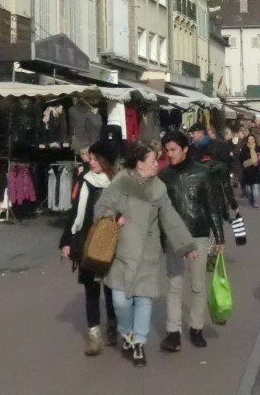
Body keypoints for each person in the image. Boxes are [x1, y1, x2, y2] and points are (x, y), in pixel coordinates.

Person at [93, 142, 197, 367]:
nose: (157, 165)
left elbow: (170, 217)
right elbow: (101, 207)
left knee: (143, 300)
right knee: (120, 301)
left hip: (147, 253)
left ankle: (139, 343)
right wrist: (112, 217)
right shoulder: (120, 182)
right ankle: (126, 333)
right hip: (120, 251)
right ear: (140, 164)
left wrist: (187, 245)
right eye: (153, 161)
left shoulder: (158, 188)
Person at [158, 131, 225, 351]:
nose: (170, 154)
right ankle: (173, 332)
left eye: (174, 150)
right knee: (174, 285)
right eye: (167, 150)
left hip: (198, 234)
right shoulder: (164, 176)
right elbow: (160, 211)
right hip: (174, 237)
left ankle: (196, 327)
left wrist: (220, 238)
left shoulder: (203, 174)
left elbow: (213, 207)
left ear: (185, 149)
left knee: (197, 285)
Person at [59, 139, 118, 356]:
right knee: (91, 290)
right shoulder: (83, 181)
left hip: (110, 242)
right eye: (90, 158)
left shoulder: (117, 183)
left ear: (105, 160)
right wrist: (66, 242)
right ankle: (94, 336)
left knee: (111, 289)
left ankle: (113, 324)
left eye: (95, 158)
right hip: (85, 242)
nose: (90, 162)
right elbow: (75, 213)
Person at [239, 130, 260, 207]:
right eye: (249, 139)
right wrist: (244, 163)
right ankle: (251, 199)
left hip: (255, 170)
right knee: (248, 190)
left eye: (252, 139)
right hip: (247, 171)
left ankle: (255, 202)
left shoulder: (258, 148)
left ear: (254, 140)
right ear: (247, 140)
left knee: (255, 189)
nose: (251, 140)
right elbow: (241, 158)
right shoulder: (244, 148)